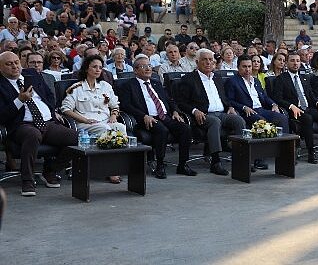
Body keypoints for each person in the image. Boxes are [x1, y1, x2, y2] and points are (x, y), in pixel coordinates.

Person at [0, 51, 75, 196]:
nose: (15, 66)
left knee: (75, 138)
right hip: (22, 125)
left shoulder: (32, 74)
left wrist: (52, 113)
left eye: (16, 62)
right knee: (32, 135)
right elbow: (2, 116)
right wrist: (20, 100)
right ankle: (27, 180)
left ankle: (51, 170)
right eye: (9, 64)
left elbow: (49, 96)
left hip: (47, 122)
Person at [119, 55, 197, 179]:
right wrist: (144, 115)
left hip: (165, 116)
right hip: (146, 119)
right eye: (143, 66)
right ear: (135, 70)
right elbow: (126, 105)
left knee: (185, 129)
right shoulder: (129, 85)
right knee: (162, 130)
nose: (148, 68)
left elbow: (169, 100)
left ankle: (183, 164)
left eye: (149, 66)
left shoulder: (156, 83)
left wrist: (175, 111)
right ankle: (160, 165)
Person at [175, 49, 245, 176]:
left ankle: (241, 159)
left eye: (211, 60)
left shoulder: (216, 77)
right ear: (197, 62)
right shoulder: (189, 79)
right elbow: (181, 102)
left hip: (222, 113)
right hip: (204, 115)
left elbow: (224, 98)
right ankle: (216, 162)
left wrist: (229, 107)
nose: (208, 62)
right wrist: (195, 110)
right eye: (204, 59)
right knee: (215, 122)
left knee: (238, 120)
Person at [61, 54, 125, 183]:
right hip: (85, 123)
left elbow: (115, 104)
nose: (97, 70)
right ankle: (109, 170)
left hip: (105, 121)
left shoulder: (105, 86)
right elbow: (65, 109)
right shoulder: (77, 88)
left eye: (100, 67)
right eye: (94, 67)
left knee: (120, 127)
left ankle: (117, 166)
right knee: (105, 129)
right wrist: (84, 120)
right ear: (86, 69)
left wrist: (113, 115)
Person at [225, 55, 291, 170]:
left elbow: (264, 97)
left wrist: (273, 104)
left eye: (249, 66)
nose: (247, 69)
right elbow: (229, 100)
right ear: (238, 67)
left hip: (261, 109)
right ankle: (259, 159)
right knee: (262, 122)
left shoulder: (255, 80)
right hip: (247, 111)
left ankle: (284, 155)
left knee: (282, 118)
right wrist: (244, 107)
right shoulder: (232, 81)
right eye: (244, 67)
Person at [272, 53, 318, 163]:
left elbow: (311, 94)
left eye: (298, 61)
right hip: (293, 109)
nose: (295, 63)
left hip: (307, 107)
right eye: (292, 61)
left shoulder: (304, 78)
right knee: (307, 118)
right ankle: (310, 152)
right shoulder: (281, 79)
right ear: (287, 63)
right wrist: (291, 106)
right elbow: (278, 98)